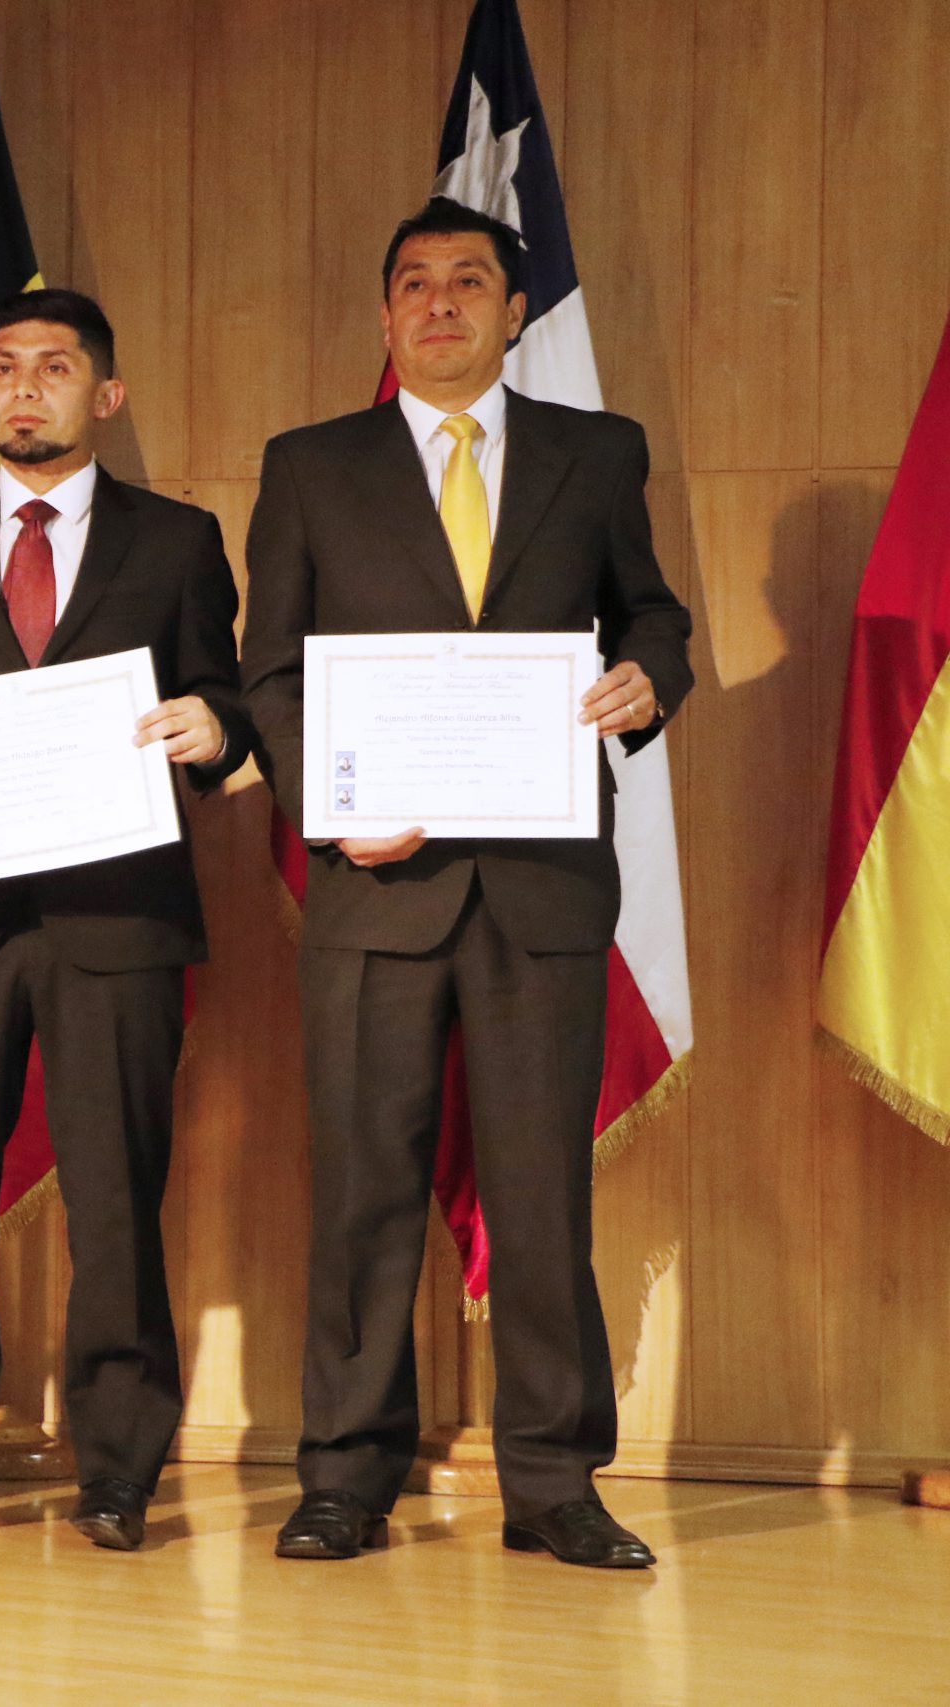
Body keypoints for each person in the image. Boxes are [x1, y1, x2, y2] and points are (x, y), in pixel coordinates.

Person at [240, 198, 691, 1569]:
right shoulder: (310, 465)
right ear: (385, 316)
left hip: (542, 886)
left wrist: (647, 678)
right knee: (362, 1192)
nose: (439, 303)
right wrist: (333, 807)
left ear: (512, 313)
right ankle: (345, 1475)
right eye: (414, 284)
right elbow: (271, 671)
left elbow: (651, 611)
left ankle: (555, 1481)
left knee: (543, 1196)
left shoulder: (596, 452)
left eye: (468, 282)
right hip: (374, 891)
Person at [0, 287, 250, 1549]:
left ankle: (117, 1469)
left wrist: (212, 725)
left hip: (115, 923)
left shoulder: (176, 540)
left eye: (53, 366)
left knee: (115, 1201)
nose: (23, 386)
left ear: (104, 396)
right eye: (5, 366)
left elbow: (225, 694)